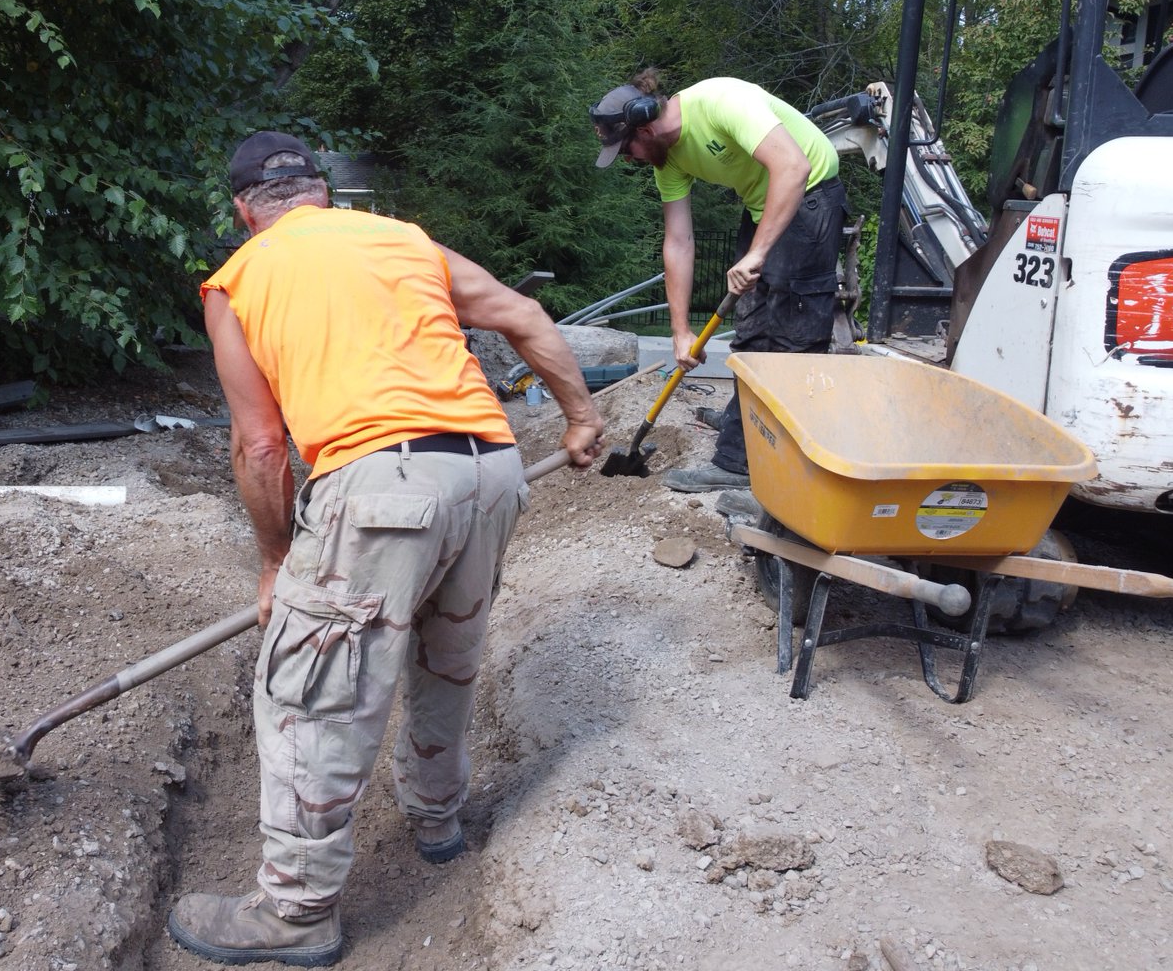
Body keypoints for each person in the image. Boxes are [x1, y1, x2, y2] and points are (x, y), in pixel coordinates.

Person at [167, 132, 604, 966]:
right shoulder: (404, 240)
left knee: (314, 695)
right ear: (323, 194)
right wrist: (581, 418)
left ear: (244, 211)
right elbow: (523, 315)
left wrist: (275, 563)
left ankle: (296, 911)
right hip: (492, 470)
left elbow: (260, 446)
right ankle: (436, 820)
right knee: (447, 655)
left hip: (383, 484)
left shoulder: (239, 280)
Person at [590, 69, 845, 494]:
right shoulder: (667, 160)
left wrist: (757, 253)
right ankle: (742, 442)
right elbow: (678, 242)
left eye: (626, 149)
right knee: (752, 334)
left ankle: (780, 472)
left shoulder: (721, 102)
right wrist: (680, 331)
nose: (628, 160)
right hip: (761, 205)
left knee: (794, 341)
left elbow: (794, 166)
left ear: (646, 129)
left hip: (811, 194)